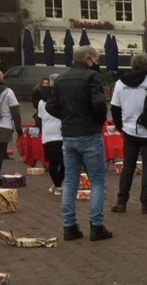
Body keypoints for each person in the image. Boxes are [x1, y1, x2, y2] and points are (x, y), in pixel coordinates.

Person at [47, 45, 112, 241]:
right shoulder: (92, 77)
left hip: (68, 134)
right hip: (89, 133)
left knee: (70, 182)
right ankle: (96, 225)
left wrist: (67, 117)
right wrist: (97, 120)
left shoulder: (61, 79)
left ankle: (69, 226)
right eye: (97, 59)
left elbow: (51, 106)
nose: (98, 63)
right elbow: (99, 104)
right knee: (97, 181)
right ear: (89, 59)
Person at [110, 53, 147, 214]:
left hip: (129, 131)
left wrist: (122, 127)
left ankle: (121, 202)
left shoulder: (120, 83)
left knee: (128, 166)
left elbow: (115, 108)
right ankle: (145, 204)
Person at [35, 73, 65, 195]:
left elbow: (40, 117)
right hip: (62, 133)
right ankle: (58, 184)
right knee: (65, 161)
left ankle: (56, 185)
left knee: (52, 162)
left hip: (48, 135)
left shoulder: (41, 102)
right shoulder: (63, 98)